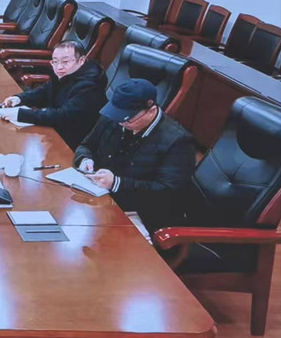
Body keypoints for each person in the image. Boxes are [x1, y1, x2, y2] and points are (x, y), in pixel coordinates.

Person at [73, 79, 196, 233]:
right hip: (99, 199)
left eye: (128, 119)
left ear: (151, 111)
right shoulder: (114, 118)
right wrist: (85, 159)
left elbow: (168, 192)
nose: (120, 123)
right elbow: (86, 146)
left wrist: (118, 183)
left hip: (142, 214)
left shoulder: (178, 142)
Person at [1, 41, 108, 148]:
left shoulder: (90, 87)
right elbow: (44, 90)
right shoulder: (67, 73)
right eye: (55, 61)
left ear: (81, 61)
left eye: (65, 62)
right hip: (57, 130)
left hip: (76, 141)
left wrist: (22, 114)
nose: (59, 67)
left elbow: (63, 116)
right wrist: (20, 99)